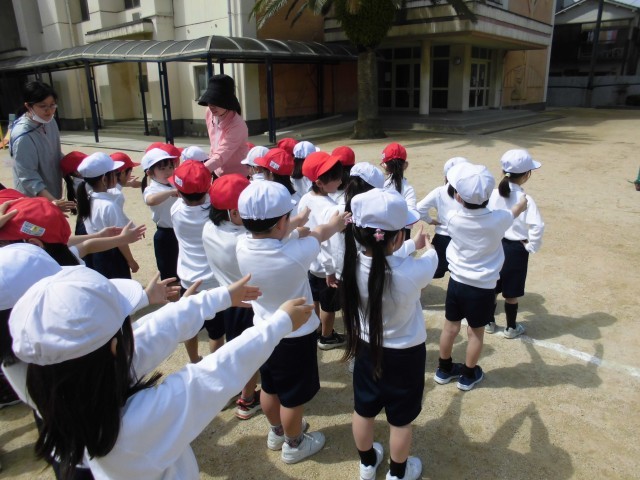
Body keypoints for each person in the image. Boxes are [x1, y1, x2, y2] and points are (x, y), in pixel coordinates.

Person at [9, 263, 314, 479]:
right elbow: (209, 376)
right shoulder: (134, 425)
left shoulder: (59, 385)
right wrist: (278, 325)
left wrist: (221, 297)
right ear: (114, 347)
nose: (133, 329)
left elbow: (152, 332)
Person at [236, 180, 349, 464]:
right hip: (295, 336)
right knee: (292, 398)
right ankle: (294, 443)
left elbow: (281, 235)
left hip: (264, 330)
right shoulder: (295, 255)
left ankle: (276, 432)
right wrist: (335, 224)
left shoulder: (242, 245)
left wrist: (295, 224)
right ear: (280, 223)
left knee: (270, 387)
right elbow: (320, 233)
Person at [342, 188, 437, 480]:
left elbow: (385, 260)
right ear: (397, 237)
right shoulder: (414, 271)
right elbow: (429, 260)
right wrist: (427, 246)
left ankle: (367, 464)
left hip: (366, 348)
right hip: (406, 355)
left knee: (363, 410)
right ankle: (397, 473)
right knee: (401, 420)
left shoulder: (351, 264)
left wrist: (407, 246)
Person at [433, 162, 527, 391]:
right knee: (475, 332)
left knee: (450, 328)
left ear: (458, 197)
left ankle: (443, 370)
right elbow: (514, 212)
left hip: (456, 283)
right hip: (482, 287)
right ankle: (468, 375)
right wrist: (521, 204)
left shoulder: (453, 217)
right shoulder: (498, 219)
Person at [202, 174, 261, 420]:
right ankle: (247, 400)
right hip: (248, 304)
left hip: (227, 298)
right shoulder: (241, 240)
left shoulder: (208, 227)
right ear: (234, 212)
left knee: (233, 346)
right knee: (249, 353)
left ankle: (229, 389)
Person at [487, 149, 544, 338]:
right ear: (527, 175)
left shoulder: (493, 194)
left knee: (492, 285)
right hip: (515, 249)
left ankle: (488, 322)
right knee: (511, 293)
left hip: (493, 245)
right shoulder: (525, 199)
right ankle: (511, 328)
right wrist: (531, 246)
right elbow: (537, 225)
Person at [169, 160, 220, 363]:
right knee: (216, 331)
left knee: (191, 327)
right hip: (213, 279)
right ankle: (215, 364)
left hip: (188, 278)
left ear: (178, 192)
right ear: (208, 187)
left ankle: (194, 360)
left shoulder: (175, 210)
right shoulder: (216, 213)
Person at [297, 151, 346, 349]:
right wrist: (331, 271)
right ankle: (327, 337)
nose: (340, 181)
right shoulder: (332, 208)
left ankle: (317, 328)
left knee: (315, 298)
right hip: (326, 269)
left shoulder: (305, 199)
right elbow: (330, 243)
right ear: (319, 182)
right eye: (336, 178)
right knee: (329, 306)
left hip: (309, 262)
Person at [10, 81, 75, 212]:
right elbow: (28, 177)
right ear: (28, 106)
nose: (49, 111)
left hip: (52, 193)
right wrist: (52, 201)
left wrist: (72, 166)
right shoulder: (23, 136)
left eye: (52, 105)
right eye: (43, 106)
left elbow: (54, 153)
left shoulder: (49, 122)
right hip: (34, 202)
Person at [77, 152, 139, 278]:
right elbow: (121, 240)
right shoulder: (109, 206)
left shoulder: (88, 198)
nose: (116, 176)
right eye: (114, 174)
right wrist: (131, 261)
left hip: (96, 252)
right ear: (104, 179)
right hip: (112, 255)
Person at [415, 157, 469, 279]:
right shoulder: (473, 191)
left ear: (446, 176)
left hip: (443, 238)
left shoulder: (439, 191)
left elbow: (419, 208)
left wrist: (430, 221)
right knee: (460, 274)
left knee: (432, 272)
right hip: (464, 238)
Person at [197, 74, 249, 177]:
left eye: (216, 101)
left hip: (236, 175)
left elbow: (222, 154)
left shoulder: (237, 125)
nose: (211, 106)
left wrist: (199, 170)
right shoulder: (209, 113)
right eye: (209, 101)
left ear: (227, 102)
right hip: (217, 170)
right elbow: (214, 144)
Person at [141, 147, 180, 281]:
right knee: (169, 274)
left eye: (170, 167)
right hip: (166, 235)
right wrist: (171, 192)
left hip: (180, 232)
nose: (168, 171)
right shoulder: (151, 188)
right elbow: (151, 200)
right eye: (162, 169)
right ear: (150, 173)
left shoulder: (173, 184)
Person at [380, 143, 416, 240]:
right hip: (402, 235)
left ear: (384, 165)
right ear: (405, 165)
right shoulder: (408, 189)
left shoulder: (379, 185)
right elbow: (411, 218)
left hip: (381, 232)